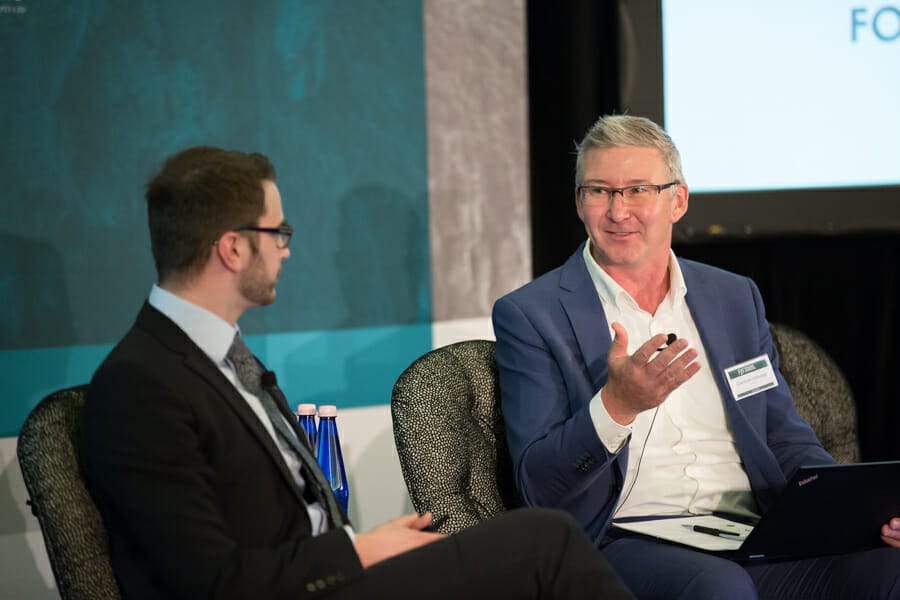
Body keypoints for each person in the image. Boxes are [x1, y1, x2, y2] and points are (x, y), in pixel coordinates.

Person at [80, 146, 633, 599]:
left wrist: (368, 549)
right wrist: (359, 551)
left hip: (339, 574)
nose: (285, 252)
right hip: (315, 584)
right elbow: (213, 582)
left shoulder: (220, 356)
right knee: (545, 541)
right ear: (233, 249)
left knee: (541, 542)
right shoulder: (140, 386)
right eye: (277, 234)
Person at [492, 114, 900, 598]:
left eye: (638, 190)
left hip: (751, 531)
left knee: (888, 567)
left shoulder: (732, 297)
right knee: (721, 587)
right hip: (623, 539)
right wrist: (617, 406)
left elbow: (782, 436)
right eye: (599, 191)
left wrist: (860, 511)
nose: (618, 211)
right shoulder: (533, 314)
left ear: (678, 200)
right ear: (580, 202)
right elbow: (538, 486)